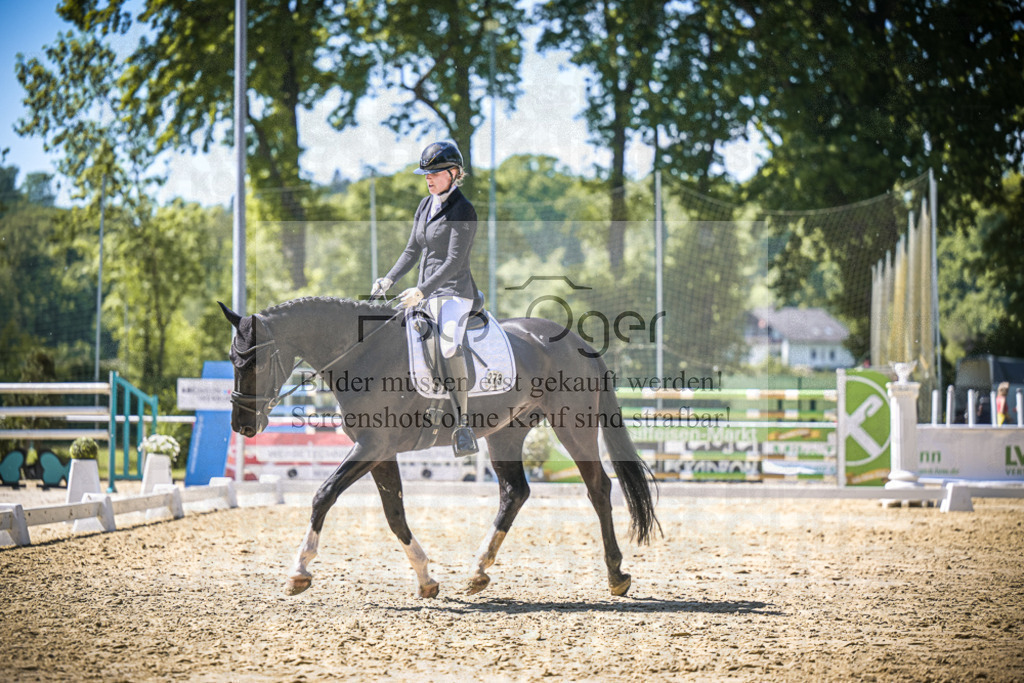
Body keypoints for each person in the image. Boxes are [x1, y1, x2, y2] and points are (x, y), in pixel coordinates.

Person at [372, 141, 480, 457]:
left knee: (447, 346)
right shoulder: (425, 205)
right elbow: (412, 249)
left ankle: (463, 426)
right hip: (424, 293)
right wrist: (389, 278)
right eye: (425, 173)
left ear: (454, 173)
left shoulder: (463, 210)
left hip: (454, 294)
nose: (428, 178)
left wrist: (422, 291)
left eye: (434, 173)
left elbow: (455, 261)